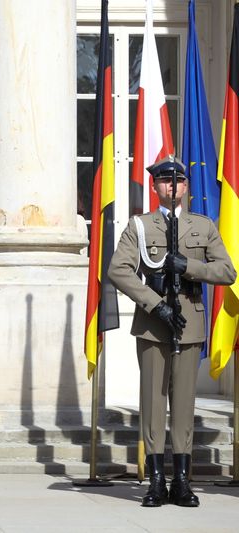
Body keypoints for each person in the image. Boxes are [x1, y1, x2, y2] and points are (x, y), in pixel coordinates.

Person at [108, 155, 235, 508]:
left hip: (189, 322)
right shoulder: (139, 226)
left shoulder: (203, 225)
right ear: (155, 186)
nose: (172, 186)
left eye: (178, 181)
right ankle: (156, 481)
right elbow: (118, 270)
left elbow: (227, 271)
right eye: (165, 181)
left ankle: (181, 480)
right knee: (152, 402)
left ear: (186, 186)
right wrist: (156, 303)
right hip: (153, 325)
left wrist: (190, 266)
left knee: (183, 404)